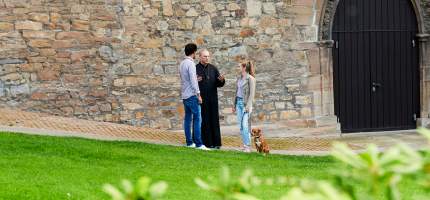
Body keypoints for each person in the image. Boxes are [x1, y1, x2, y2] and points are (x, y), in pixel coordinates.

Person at [179, 43, 209, 150]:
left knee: (187, 118)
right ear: (193, 52)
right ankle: (199, 144)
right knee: (197, 118)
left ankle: (189, 142)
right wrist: (199, 95)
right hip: (192, 95)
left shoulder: (182, 63)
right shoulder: (191, 64)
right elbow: (193, 81)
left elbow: (184, 79)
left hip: (184, 95)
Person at [196, 49, 225, 149]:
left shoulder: (213, 68)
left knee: (214, 120)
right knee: (204, 121)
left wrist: (222, 80)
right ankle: (207, 143)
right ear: (200, 57)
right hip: (202, 99)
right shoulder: (195, 69)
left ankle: (216, 143)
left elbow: (219, 84)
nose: (207, 58)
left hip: (213, 99)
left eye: (208, 56)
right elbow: (192, 84)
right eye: (205, 56)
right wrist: (196, 80)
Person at [232, 60, 256, 153]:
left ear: (244, 68)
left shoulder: (251, 79)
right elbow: (236, 93)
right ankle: (245, 145)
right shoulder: (239, 78)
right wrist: (234, 105)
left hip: (246, 105)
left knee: (245, 126)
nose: (237, 68)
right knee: (241, 126)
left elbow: (251, 95)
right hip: (238, 103)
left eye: (239, 66)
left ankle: (248, 147)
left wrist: (248, 106)